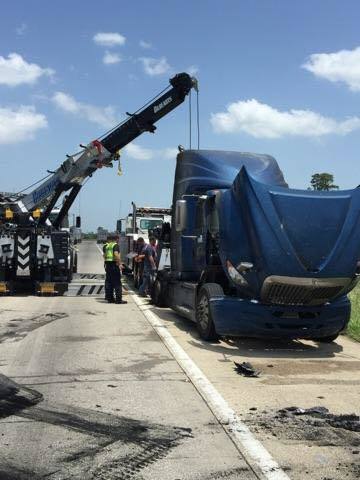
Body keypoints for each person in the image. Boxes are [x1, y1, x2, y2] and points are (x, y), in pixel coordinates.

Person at [103, 234, 127, 304]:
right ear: (116, 239)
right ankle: (118, 300)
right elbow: (116, 254)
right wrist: (120, 264)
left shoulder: (107, 246)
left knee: (109, 282)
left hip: (108, 265)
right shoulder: (115, 245)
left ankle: (110, 299)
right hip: (114, 265)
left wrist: (106, 262)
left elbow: (104, 255)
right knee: (117, 283)